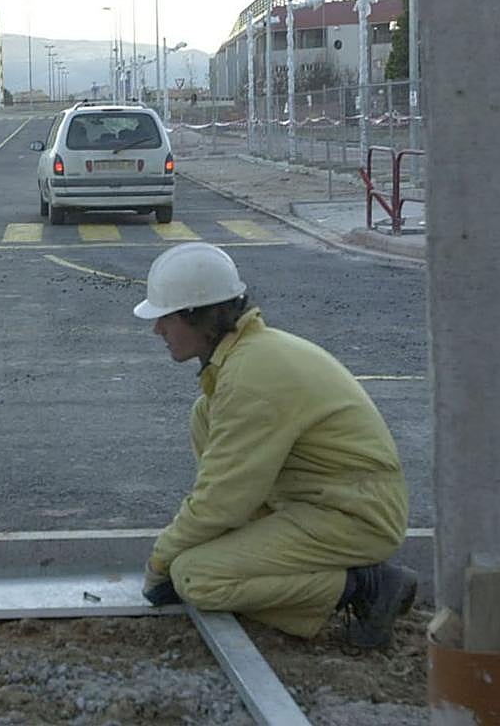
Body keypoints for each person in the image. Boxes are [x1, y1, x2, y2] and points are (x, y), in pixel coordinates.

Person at [134, 243, 415, 648]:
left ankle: (366, 586)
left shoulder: (251, 376)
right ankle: (321, 574)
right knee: (204, 414)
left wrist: (160, 562)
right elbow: (229, 493)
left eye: (165, 318)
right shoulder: (248, 359)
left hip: (356, 515)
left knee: (197, 577)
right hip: (328, 501)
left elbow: (220, 500)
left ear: (199, 317)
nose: (157, 330)